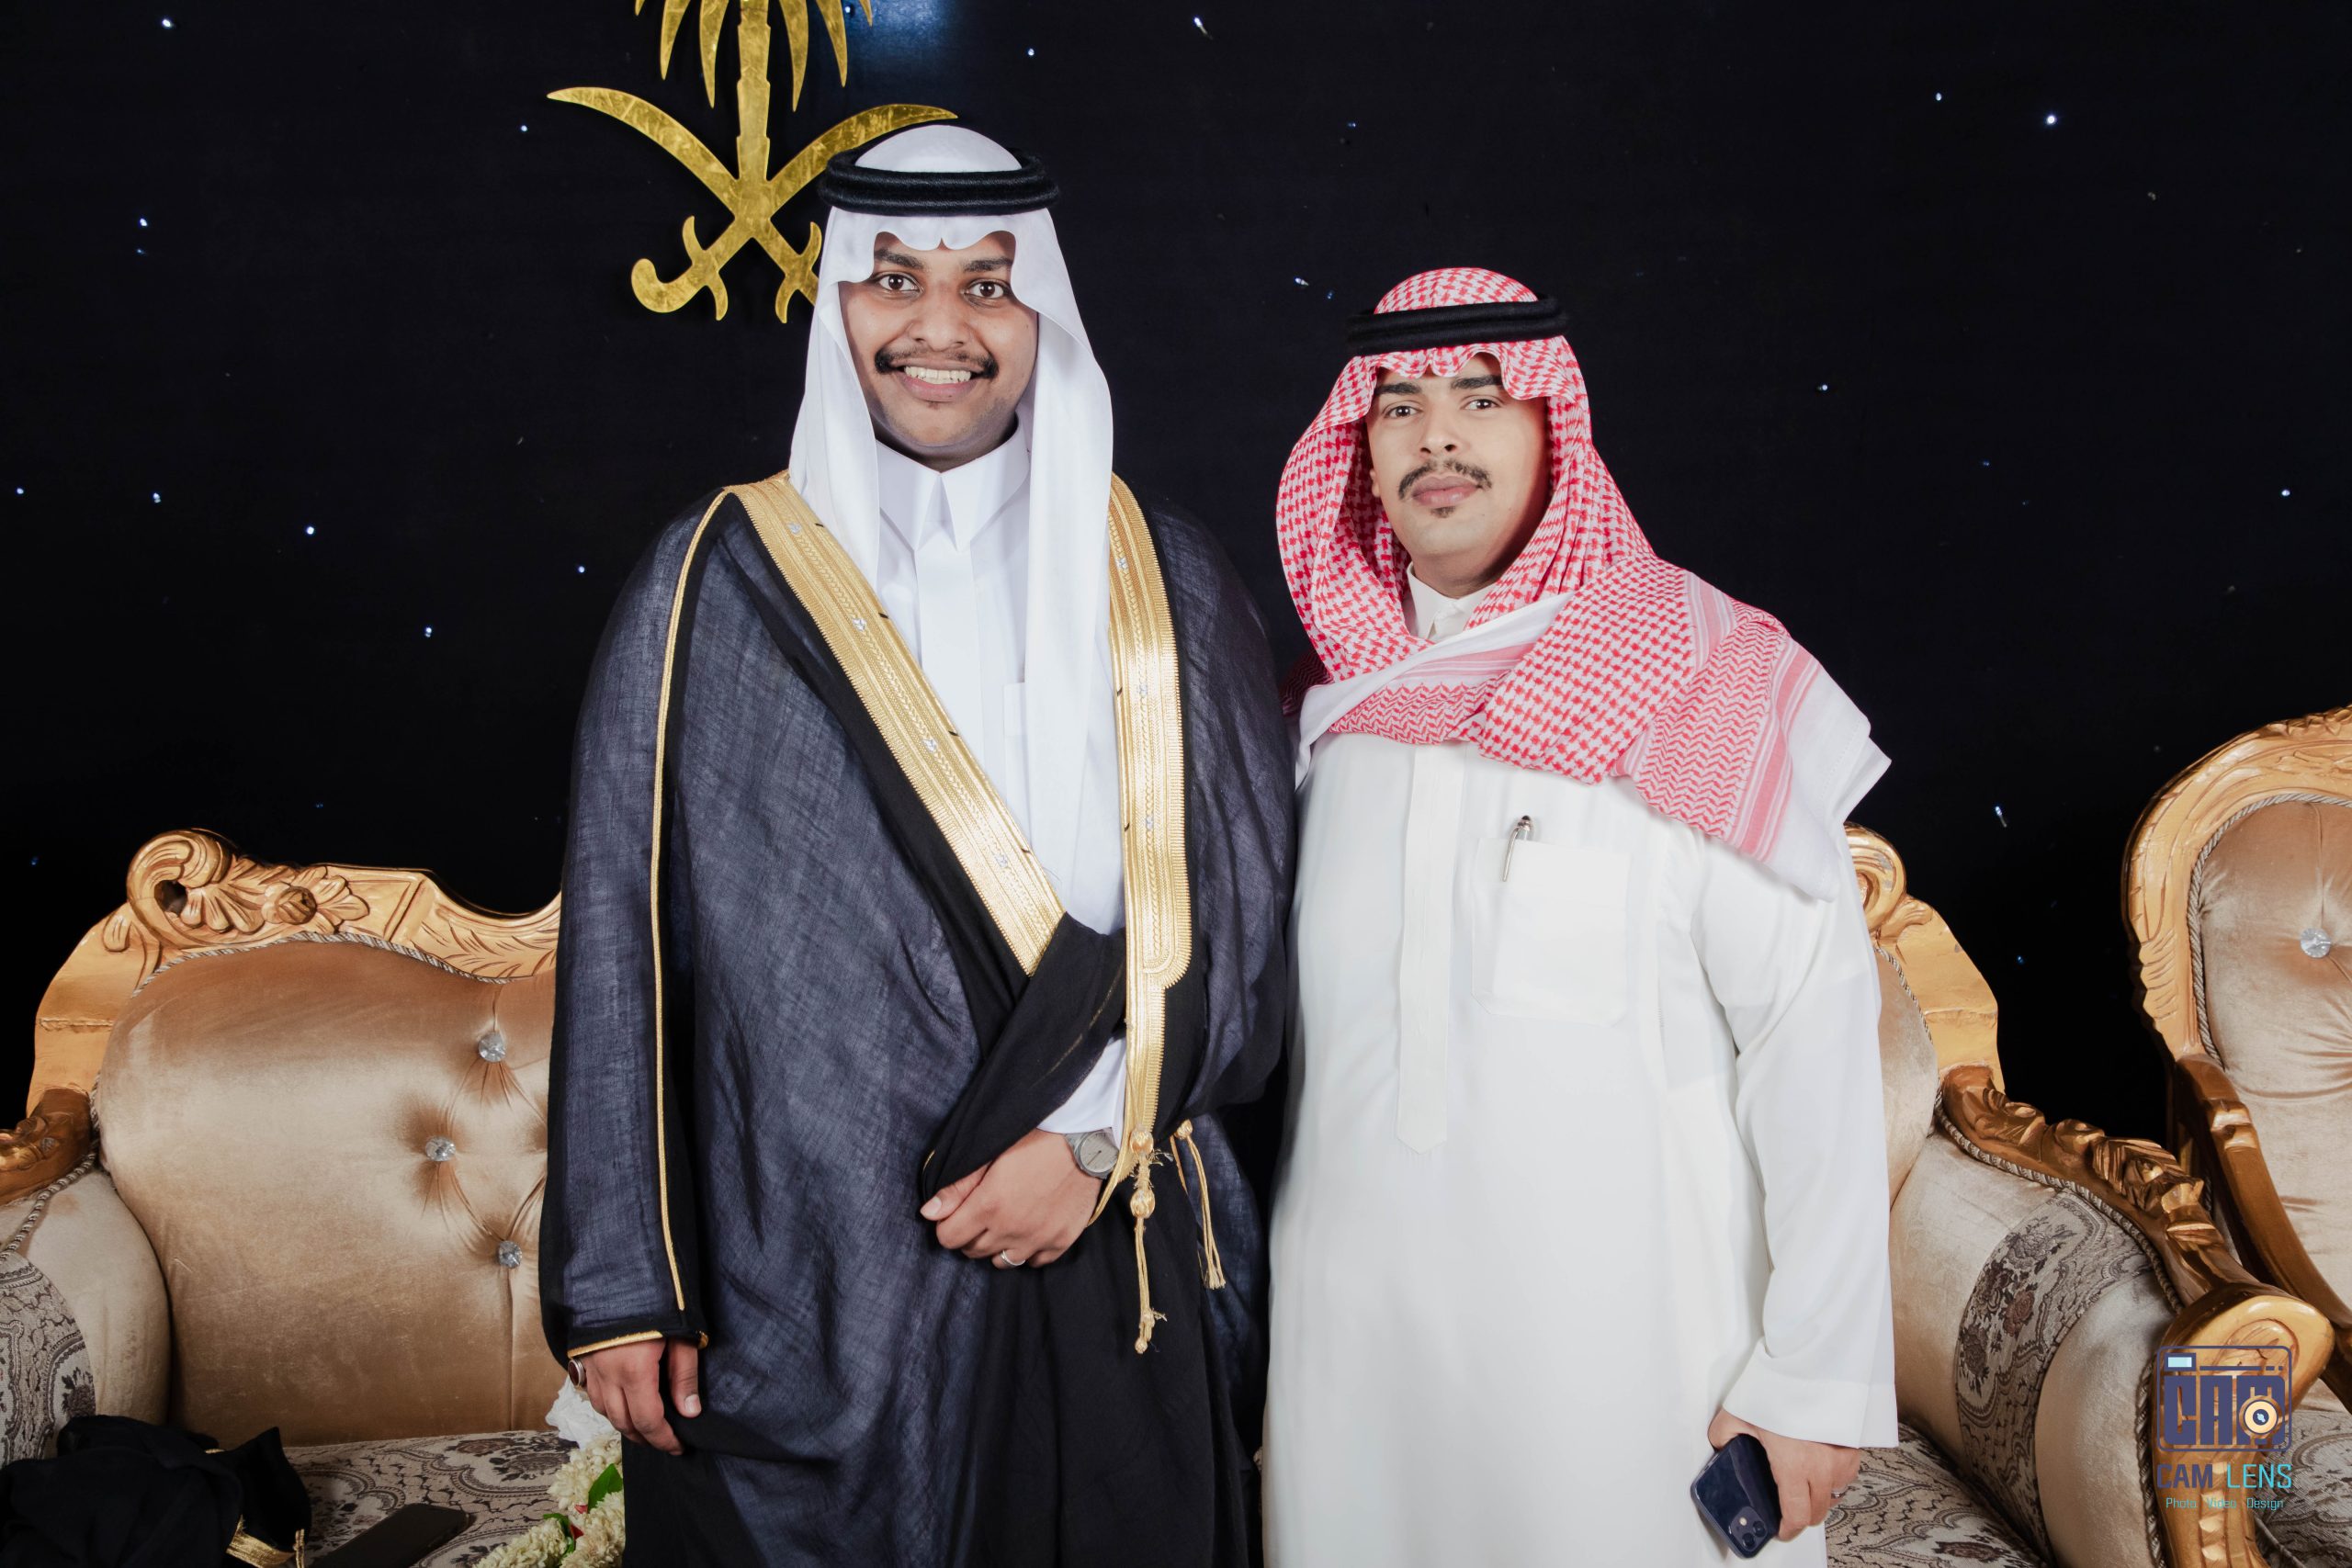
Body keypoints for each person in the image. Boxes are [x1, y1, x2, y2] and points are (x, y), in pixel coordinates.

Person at [539, 126, 1292, 1566]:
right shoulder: (710, 581)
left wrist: (1092, 1143)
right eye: (895, 279)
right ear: (839, 302)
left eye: (987, 285)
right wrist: (625, 1283)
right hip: (805, 1263)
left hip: (1106, 1230)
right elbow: (623, 948)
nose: (939, 327)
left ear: (1041, 311)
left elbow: (1242, 923)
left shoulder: (1167, 579)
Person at [1262, 267, 1896, 1565]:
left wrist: (1815, 1378)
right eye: (1399, 405)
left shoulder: (1704, 678)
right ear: (1359, 451)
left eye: (1481, 398)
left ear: (1557, 428)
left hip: (1639, 1373)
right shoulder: (1322, 731)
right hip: (1354, 1377)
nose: (1437, 437)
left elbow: (1815, 1035)